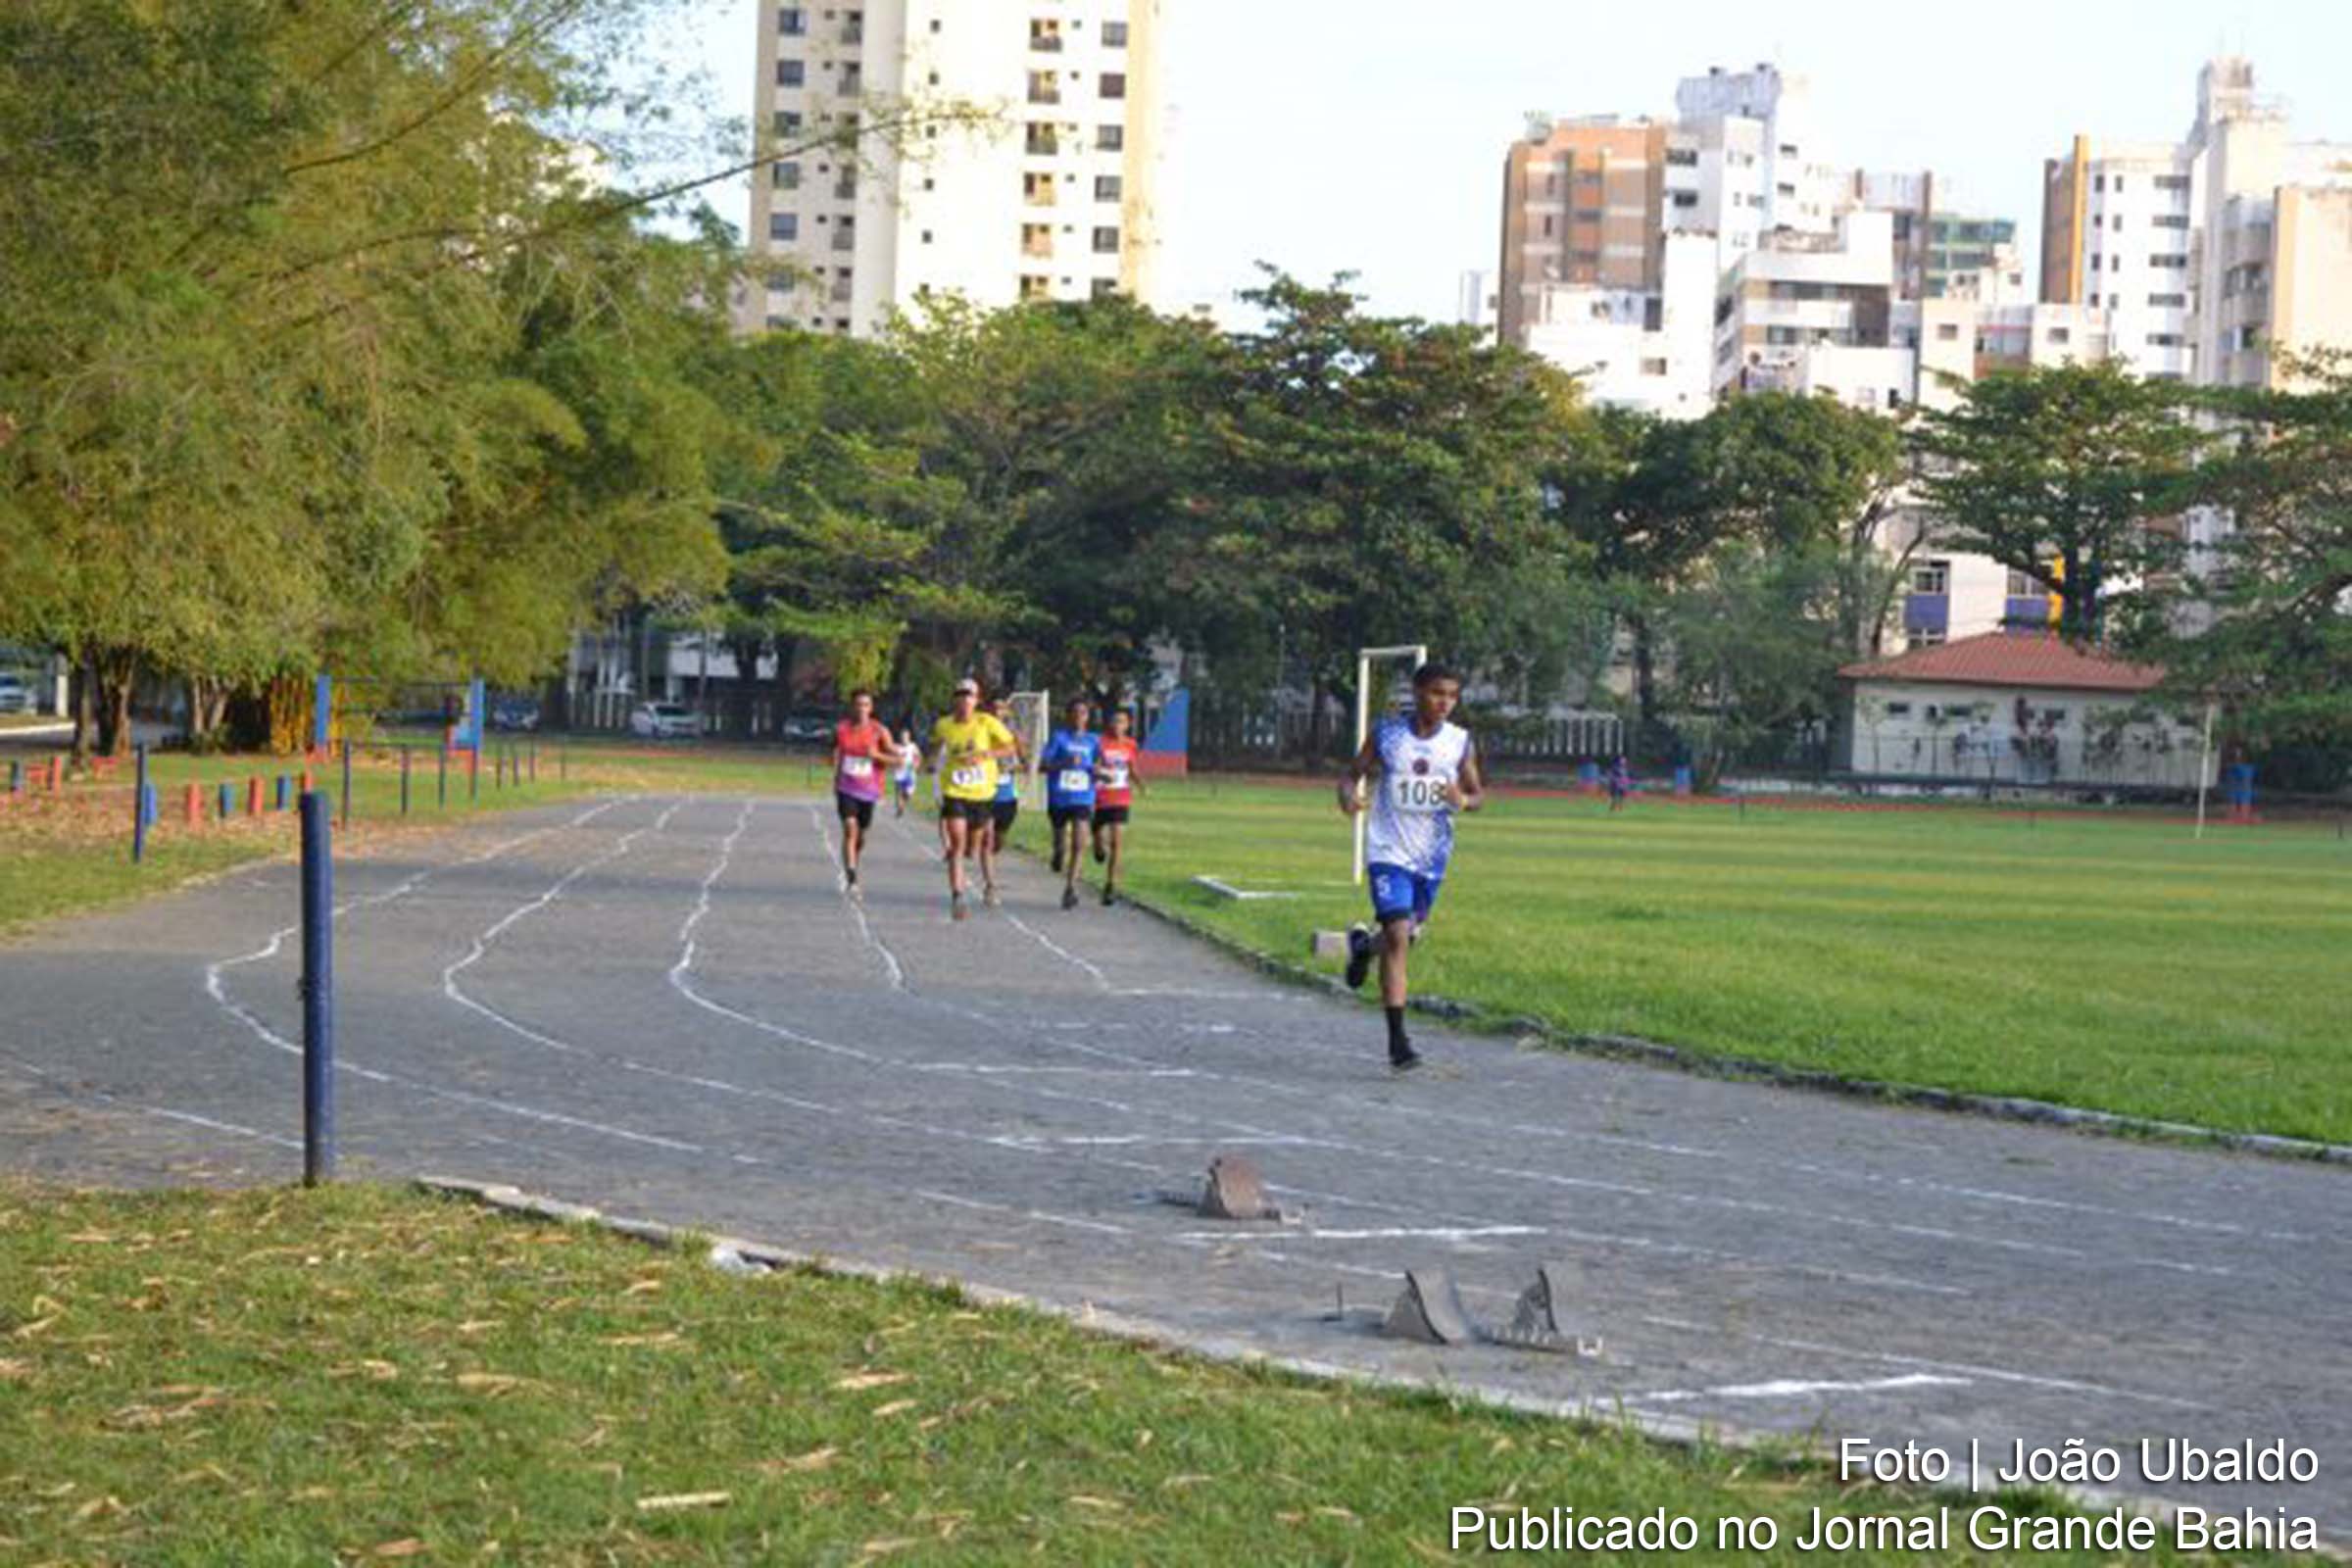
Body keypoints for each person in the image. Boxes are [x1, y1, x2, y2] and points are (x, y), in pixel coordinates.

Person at [1337, 662, 1484, 1071]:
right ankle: (1398, 1042)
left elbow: (1478, 795)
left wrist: (1463, 799)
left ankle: (1363, 949)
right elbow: (1351, 775)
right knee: (1399, 935)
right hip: (1388, 850)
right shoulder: (1387, 734)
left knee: (1402, 937)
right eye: (1437, 693)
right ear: (1417, 693)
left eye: (1452, 696)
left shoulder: (1459, 742)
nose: (1444, 703)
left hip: (1431, 857)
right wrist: (1347, 796)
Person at [928, 678, 1017, 920]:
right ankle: (957, 896)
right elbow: (936, 746)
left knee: (973, 847)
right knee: (957, 844)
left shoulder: (987, 723)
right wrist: (932, 760)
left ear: (977, 700)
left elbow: (1011, 747)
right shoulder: (944, 725)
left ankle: (974, 863)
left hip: (982, 793)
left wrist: (986, 754)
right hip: (955, 791)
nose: (965, 700)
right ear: (954, 699)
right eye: (960, 695)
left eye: (969, 696)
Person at [829, 690, 897, 895]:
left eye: (866, 705)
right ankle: (851, 877)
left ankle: (854, 858)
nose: (861, 709)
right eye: (858, 704)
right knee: (850, 828)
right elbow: (835, 753)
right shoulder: (841, 729)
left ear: (871, 708)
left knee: (861, 835)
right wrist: (835, 771)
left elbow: (898, 759)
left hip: (869, 791)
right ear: (851, 707)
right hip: (846, 788)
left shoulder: (879, 731)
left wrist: (877, 756)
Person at [1039, 696, 1102, 910]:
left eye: (1082, 713)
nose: (1078, 717)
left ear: (1087, 717)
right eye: (1074, 712)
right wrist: (1064, 762)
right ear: (1067, 716)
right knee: (1061, 843)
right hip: (1059, 797)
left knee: (1079, 843)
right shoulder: (1058, 737)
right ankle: (1058, 853)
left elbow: (1098, 764)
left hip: (1083, 797)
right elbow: (1043, 766)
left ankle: (1070, 888)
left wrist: (1099, 772)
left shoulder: (1093, 740)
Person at [1090, 707, 1144, 906]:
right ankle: (1097, 845)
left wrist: (1140, 784)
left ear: (1127, 725)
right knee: (1097, 833)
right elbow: (1092, 765)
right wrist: (1100, 773)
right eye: (1114, 721)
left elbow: (1132, 767)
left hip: (1121, 797)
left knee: (1117, 843)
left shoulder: (1130, 744)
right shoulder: (1100, 742)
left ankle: (1111, 886)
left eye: (1121, 722)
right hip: (1100, 796)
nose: (1117, 725)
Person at [981, 694, 1029, 906]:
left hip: (1007, 795)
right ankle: (990, 886)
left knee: (999, 841)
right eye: (994, 708)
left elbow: (1024, 763)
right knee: (987, 839)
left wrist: (1015, 764)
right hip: (985, 793)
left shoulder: (1013, 734)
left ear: (1007, 711)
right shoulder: (981, 732)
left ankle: (990, 858)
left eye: (1001, 708)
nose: (997, 712)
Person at [891, 727, 919, 817]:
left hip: (909, 773)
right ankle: (900, 807)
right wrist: (893, 765)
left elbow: (918, 757)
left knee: (908, 794)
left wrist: (916, 764)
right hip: (899, 772)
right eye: (902, 736)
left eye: (905, 736)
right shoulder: (896, 747)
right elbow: (892, 758)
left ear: (909, 737)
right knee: (898, 792)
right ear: (900, 737)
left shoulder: (913, 746)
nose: (904, 738)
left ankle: (902, 805)